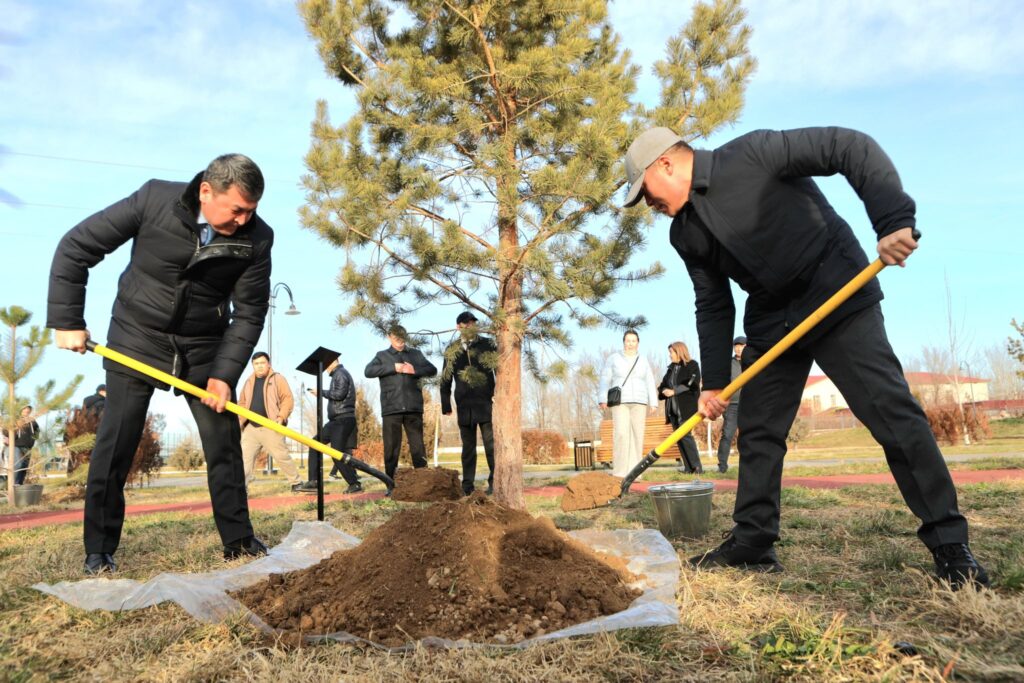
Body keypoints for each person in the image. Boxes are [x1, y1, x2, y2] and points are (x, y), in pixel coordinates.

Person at [621, 125, 988, 589]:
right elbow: (712, 302)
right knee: (758, 430)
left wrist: (892, 219)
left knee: (892, 414)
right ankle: (753, 543)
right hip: (772, 318)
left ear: (666, 164)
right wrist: (713, 381)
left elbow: (847, 147)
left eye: (645, 191)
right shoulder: (685, 233)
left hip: (835, 290)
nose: (647, 204)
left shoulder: (753, 153)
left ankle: (949, 543)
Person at [47, 153, 272, 575]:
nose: (243, 220)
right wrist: (67, 320)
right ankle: (99, 550)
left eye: (251, 211)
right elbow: (76, 247)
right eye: (237, 210)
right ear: (206, 191)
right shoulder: (153, 200)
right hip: (136, 336)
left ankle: (239, 540)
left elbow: (250, 313)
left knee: (223, 442)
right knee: (117, 441)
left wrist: (223, 375)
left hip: (205, 346)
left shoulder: (258, 238)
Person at [364, 325, 437, 481]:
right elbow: (368, 371)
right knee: (391, 449)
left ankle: (423, 482)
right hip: (391, 409)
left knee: (418, 447)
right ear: (389, 337)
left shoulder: (415, 354)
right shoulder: (382, 356)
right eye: (396, 337)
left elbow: (432, 370)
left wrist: (415, 370)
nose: (399, 340)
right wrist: (393, 367)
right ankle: (390, 483)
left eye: (402, 337)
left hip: (413, 408)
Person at [440, 311, 496, 495]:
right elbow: (446, 378)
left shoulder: (487, 344)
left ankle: (495, 482)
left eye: (473, 323)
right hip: (464, 405)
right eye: (466, 323)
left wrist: (499, 395)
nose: (470, 326)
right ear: (458, 327)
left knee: (491, 446)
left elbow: (499, 370)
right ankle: (467, 486)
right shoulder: (452, 349)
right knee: (468, 448)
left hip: (486, 403)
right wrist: (446, 404)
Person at [598, 330, 659, 479]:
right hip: (620, 401)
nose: (630, 343)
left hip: (639, 401)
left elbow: (650, 380)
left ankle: (635, 473)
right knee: (621, 434)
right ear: (623, 342)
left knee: (637, 436)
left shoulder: (643, 360)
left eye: (633, 341)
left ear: (638, 343)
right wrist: (602, 398)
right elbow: (605, 378)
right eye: (628, 340)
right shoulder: (614, 358)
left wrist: (653, 402)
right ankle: (619, 472)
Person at [236, 352, 302, 491]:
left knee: (282, 456)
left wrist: (281, 416)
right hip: (250, 428)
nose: (259, 366)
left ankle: (296, 483)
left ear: (268, 364)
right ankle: (241, 490)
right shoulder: (248, 382)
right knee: (244, 461)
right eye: (256, 364)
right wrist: (240, 421)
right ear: (253, 365)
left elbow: (287, 399)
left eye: (262, 363)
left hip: (271, 425)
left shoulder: (278, 379)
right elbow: (241, 402)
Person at [298, 355, 362, 494]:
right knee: (314, 444)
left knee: (336, 453)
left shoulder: (341, 373)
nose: (325, 368)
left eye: (327, 364)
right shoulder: (338, 374)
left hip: (343, 419)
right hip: (335, 421)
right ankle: (314, 482)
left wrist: (321, 392)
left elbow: (339, 394)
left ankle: (355, 484)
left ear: (334, 361)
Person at [658, 342, 702, 474]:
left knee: (686, 436)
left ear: (679, 352)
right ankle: (688, 468)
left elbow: (692, 383)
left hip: (686, 409)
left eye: (671, 352)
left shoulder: (692, 365)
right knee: (679, 438)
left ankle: (697, 467)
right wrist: (664, 390)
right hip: (672, 410)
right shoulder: (670, 369)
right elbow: (662, 386)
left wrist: (674, 391)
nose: (670, 355)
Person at [716, 336, 746, 473]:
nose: (738, 348)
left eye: (741, 346)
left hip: (749, 403)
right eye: (736, 346)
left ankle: (747, 465)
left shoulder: (752, 361)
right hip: (731, 405)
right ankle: (722, 466)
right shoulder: (728, 364)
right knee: (727, 435)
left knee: (747, 435)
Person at [13, 406, 41, 485]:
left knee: (25, 466)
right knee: (18, 465)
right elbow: (9, 431)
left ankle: (19, 485)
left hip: (28, 447)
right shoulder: (16, 420)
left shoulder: (33, 421)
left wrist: (33, 440)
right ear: (21, 410)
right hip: (17, 446)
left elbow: (37, 431)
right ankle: (14, 484)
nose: (26, 411)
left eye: (28, 410)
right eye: (25, 409)